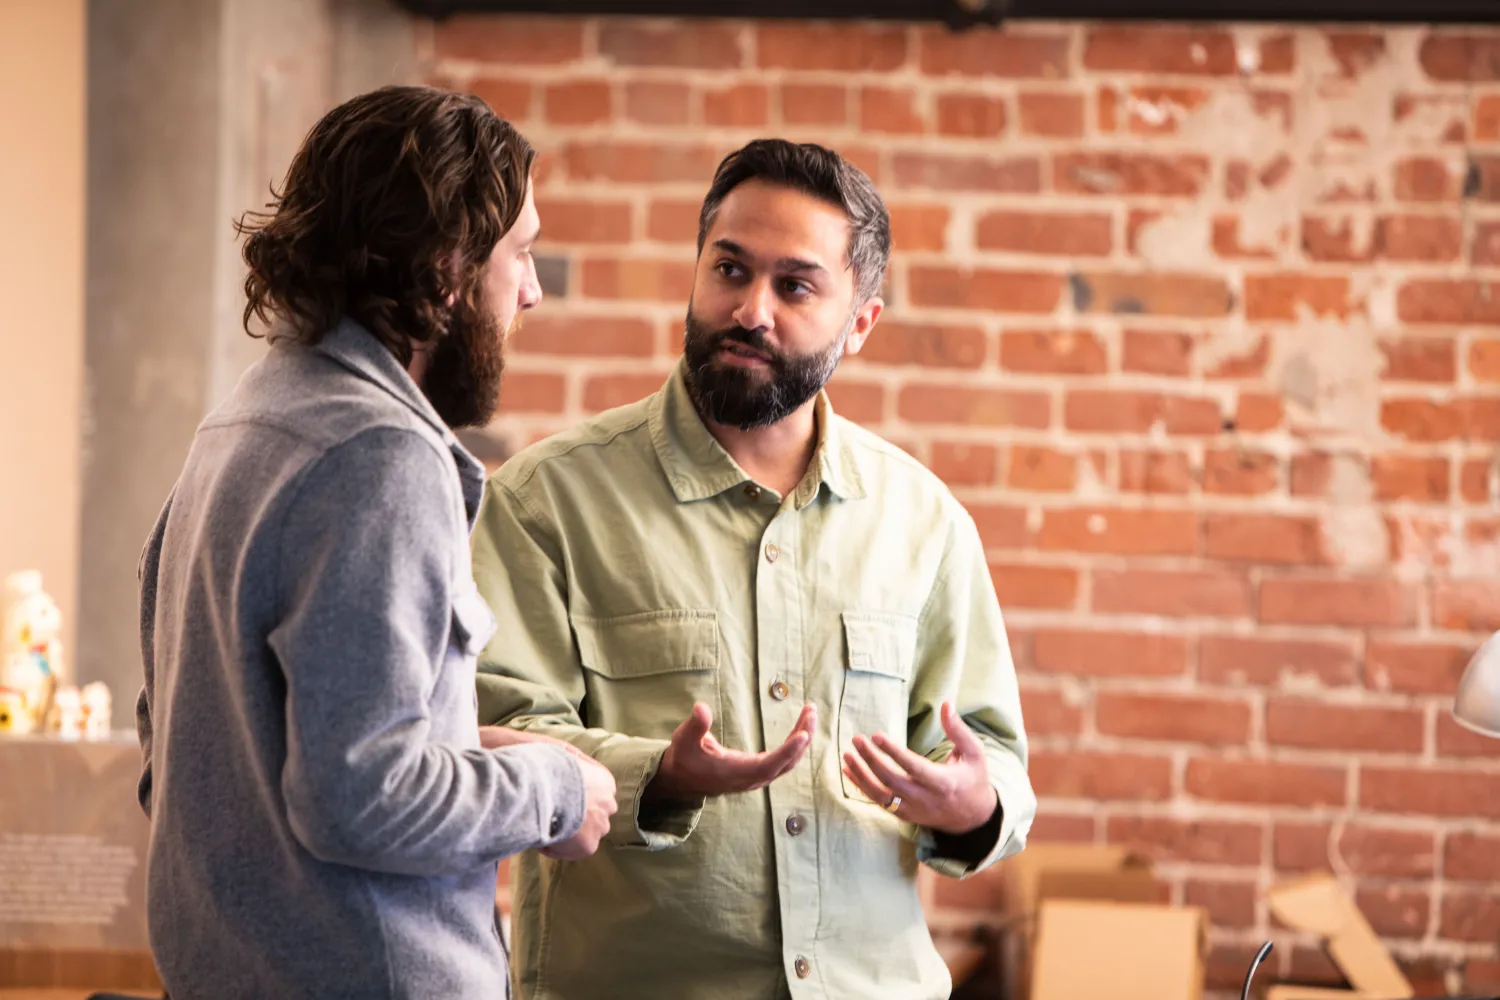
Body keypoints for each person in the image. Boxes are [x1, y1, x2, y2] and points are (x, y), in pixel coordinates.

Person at [471, 138, 1036, 1000]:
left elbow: (994, 758)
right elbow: (492, 739)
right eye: (729, 270)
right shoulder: (547, 502)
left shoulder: (925, 524)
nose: (750, 310)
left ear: (861, 323)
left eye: (794, 285)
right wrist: (657, 774)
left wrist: (974, 805)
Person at [133, 85, 617, 1000]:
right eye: (519, 255)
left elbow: (192, 734)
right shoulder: (381, 455)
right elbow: (364, 797)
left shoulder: (244, 419)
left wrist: (456, 740)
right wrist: (555, 788)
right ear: (446, 269)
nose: (534, 291)